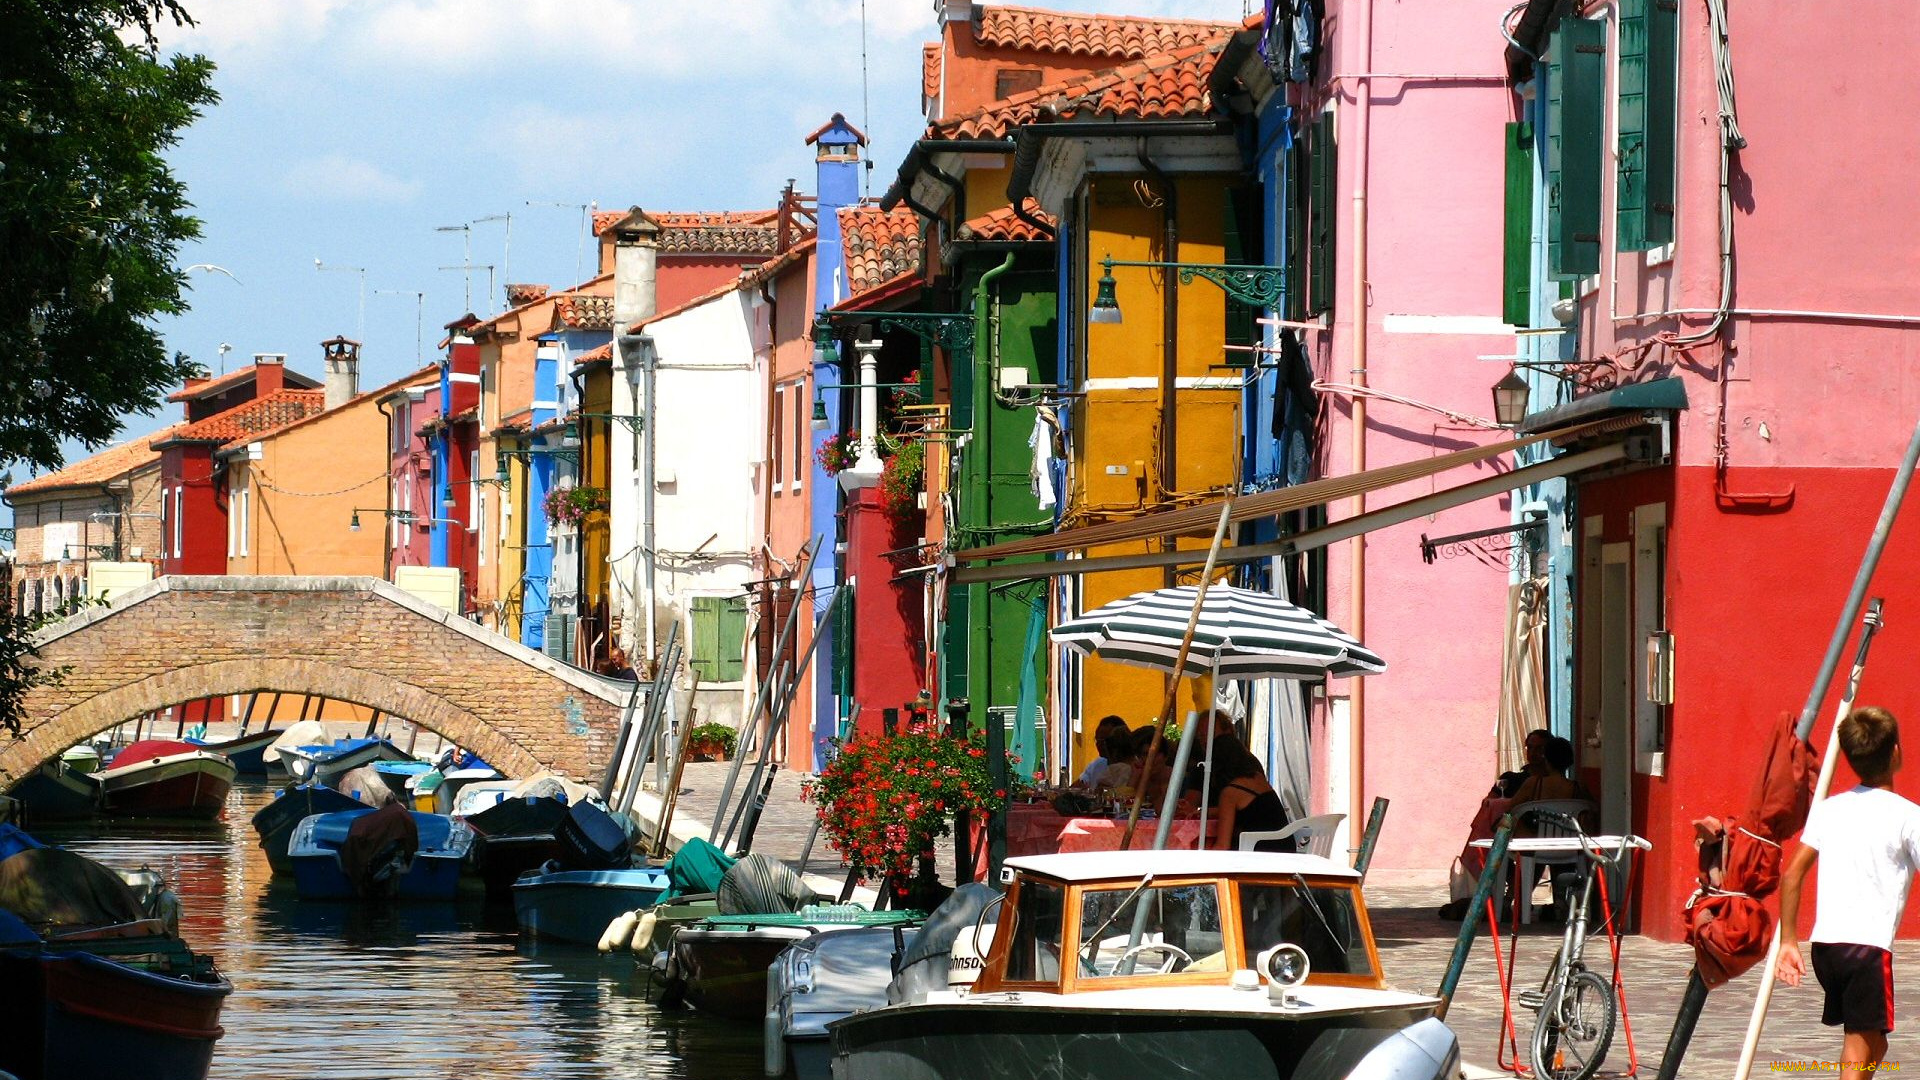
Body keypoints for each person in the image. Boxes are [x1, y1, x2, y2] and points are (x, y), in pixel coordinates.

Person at [1778, 706, 1920, 1073]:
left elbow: (1792, 875)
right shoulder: (1908, 816)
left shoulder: (1829, 809)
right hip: (1866, 951)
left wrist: (1789, 942)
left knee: (1876, 1042)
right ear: (1896, 753)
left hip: (1826, 948)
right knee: (1858, 1050)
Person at [1192, 728, 1288, 850]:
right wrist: (1203, 812)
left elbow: (1222, 846)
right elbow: (1253, 809)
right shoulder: (1257, 778)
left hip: (1261, 854)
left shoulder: (1230, 793)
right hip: (1285, 847)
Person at [1074, 716, 1131, 789]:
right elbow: (1077, 786)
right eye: (1097, 739)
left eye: (1103, 740)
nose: (1098, 744)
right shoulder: (1097, 764)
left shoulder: (1130, 769)